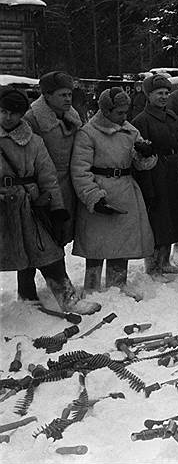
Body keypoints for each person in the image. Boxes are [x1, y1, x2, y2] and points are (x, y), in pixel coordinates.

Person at [0, 86, 100, 314]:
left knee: (46, 251)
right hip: (2, 208)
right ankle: (26, 295)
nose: (8, 117)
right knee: (15, 251)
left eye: (14, 113)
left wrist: (56, 207)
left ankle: (67, 298)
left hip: (29, 205)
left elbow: (48, 177)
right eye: (4, 111)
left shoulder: (34, 142)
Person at [70, 87, 157, 300]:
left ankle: (117, 285)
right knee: (96, 244)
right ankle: (91, 287)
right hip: (100, 189)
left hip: (125, 189)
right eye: (119, 113)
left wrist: (146, 155)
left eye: (125, 112)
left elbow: (142, 164)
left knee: (122, 242)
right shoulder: (88, 133)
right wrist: (93, 196)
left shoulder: (130, 131)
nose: (124, 117)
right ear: (106, 111)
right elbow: (80, 170)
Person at [20, 71, 82, 301]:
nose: (68, 99)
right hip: (41, 189)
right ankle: (32, 292)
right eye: (62, 94)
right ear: (46, 96)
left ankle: (28, 293)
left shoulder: (71, 116)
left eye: (70, 94)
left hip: (68, 185)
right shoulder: (32, 119)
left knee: (59, 235)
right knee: (41, 239)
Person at [132, 74, 178, 280]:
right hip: (156, 172)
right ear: (148, 96)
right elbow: (139, 153)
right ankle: (153, 266)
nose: (164, 97)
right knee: (158, 219)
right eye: (159, 93)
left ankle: (165, 262)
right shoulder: (141, 121)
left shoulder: (173, 116)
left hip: (175, 170)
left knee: (173, 217)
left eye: (167, 93)